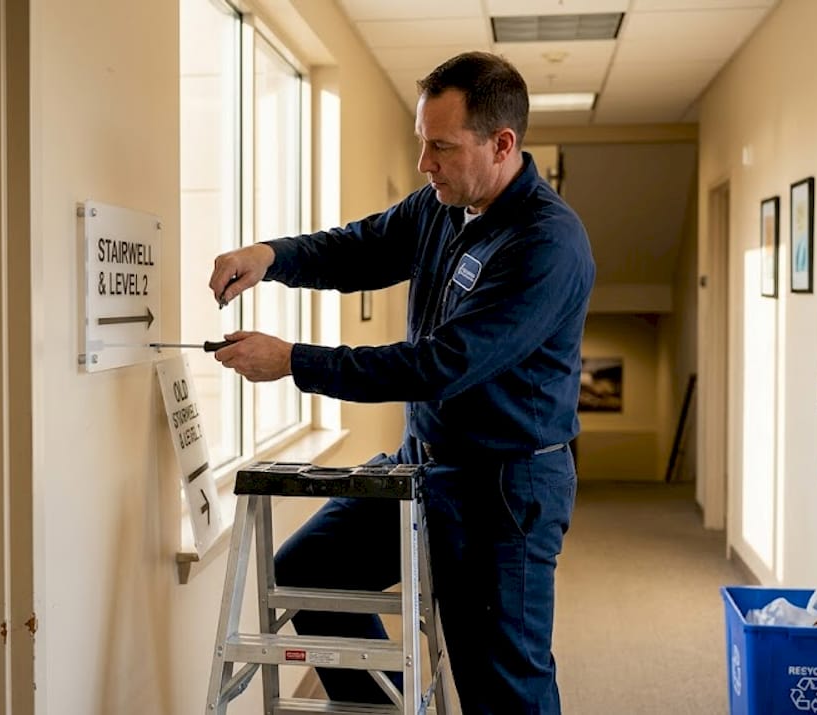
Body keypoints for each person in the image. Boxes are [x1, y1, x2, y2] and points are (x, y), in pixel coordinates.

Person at [207, 51, 594, 714]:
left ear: (503, 144)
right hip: (424, 464)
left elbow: (437, 365)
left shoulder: (546, 245)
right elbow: (358, 247)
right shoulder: (443, 205)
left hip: (504, 489)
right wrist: (269, 257)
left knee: (502, 686)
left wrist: (295, 361)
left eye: (441, 147)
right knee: (308, 571)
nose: (425, 164)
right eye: (423, 143)